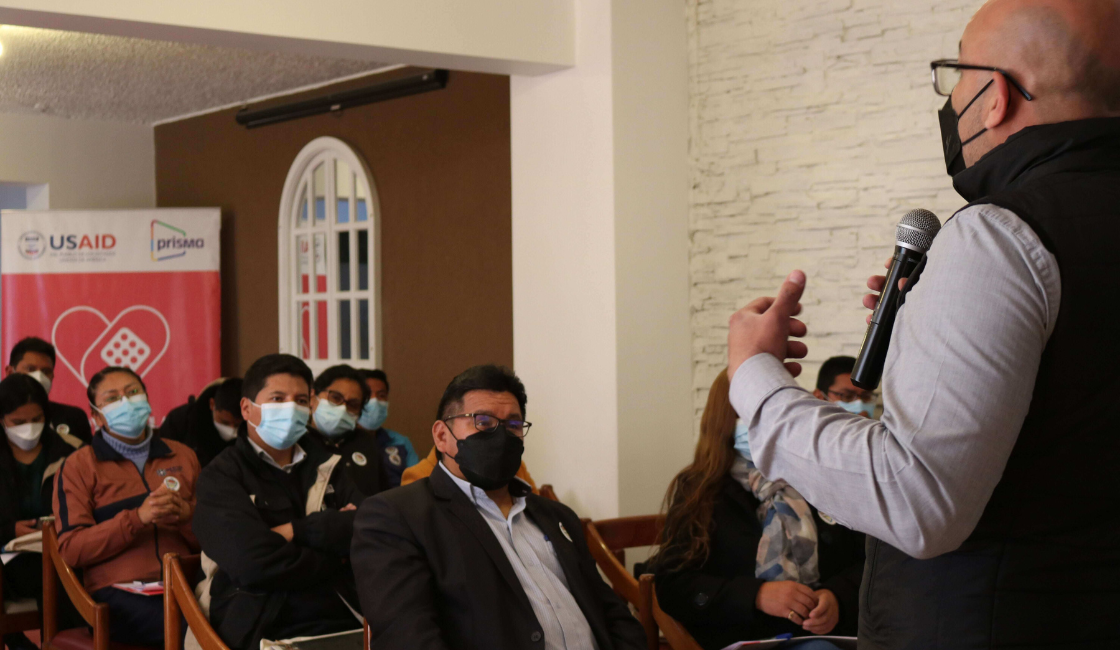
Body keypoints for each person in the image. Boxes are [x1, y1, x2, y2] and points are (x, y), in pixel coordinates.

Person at [724, 1, 1120, 647]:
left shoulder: (1000, 238)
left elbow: (916, 499)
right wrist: (928, 339)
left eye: (957, 73)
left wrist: (755, 377)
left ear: (995, 95)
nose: (952, 97)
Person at [352, 364, 646, 650]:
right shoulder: (396, 517)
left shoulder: (557, 516)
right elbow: (407, 638)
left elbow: (612, 614)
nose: (501, 435)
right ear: (442, 436)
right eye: (483, 422)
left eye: (513, 425)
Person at [650, 371, 863, 650]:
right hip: (739, 635)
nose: (771, 424)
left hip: (822, 635)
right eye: (757, 413)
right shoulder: (700, 489)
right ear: (727, 417)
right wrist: (757, 595)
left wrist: (837, 597)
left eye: (781, 412)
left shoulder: (818, 480)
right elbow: (673, 586)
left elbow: (867, 564)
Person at [192, 354, 364, 650]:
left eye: (300, 400)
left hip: (341, 614)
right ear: (246, 408)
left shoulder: (329, 465)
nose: (291, 407)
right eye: (277, 398)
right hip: (259, 622)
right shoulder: (220, 477)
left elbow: (369, 528)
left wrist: (296, 531)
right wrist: (336, 557)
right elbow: (252, 565)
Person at [53, 366, 199, 647]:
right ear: (96, 416)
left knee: (242, 616)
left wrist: (187, 517)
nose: (126, 402)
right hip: (116, 594)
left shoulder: (183, 455)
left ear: (147, 398)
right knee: (188, 629)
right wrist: (137, 519)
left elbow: (214, 539)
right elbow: (72, 549)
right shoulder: (78, 467)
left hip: (187, 584)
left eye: (133, 393)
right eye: (112, 398)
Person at [1, 374, 83, 650]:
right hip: (7, 558)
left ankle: (65, 643)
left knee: (62, 569)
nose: (29, 428)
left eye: (36, 419)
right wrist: (9, 529)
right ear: (2, 419)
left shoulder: (70, 450)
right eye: (18, 422)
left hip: (59, 550)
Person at [307, 365, 388, 496]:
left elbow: (382, 495)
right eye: (335, 398)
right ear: (312, 397)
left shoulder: (366, 444)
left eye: (353, 405)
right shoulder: (297, 441)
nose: (343, 408)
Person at [5, 337, 92, 443]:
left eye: (45, 371)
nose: (39, 377)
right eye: (30, 369)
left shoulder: (74, 418)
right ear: (10, 372)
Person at [159, 378, 244, 467]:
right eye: (225, 423)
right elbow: (163, 463)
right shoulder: (179, 421)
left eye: (237, 425)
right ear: (212, 404)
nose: (231, 430)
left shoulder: (250, 428)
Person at [355, 369, 418, 487]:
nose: (375, 401)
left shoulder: (400, 442)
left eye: (381, 395)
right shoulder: (341, 442)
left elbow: (416, 485)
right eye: (367, 395)